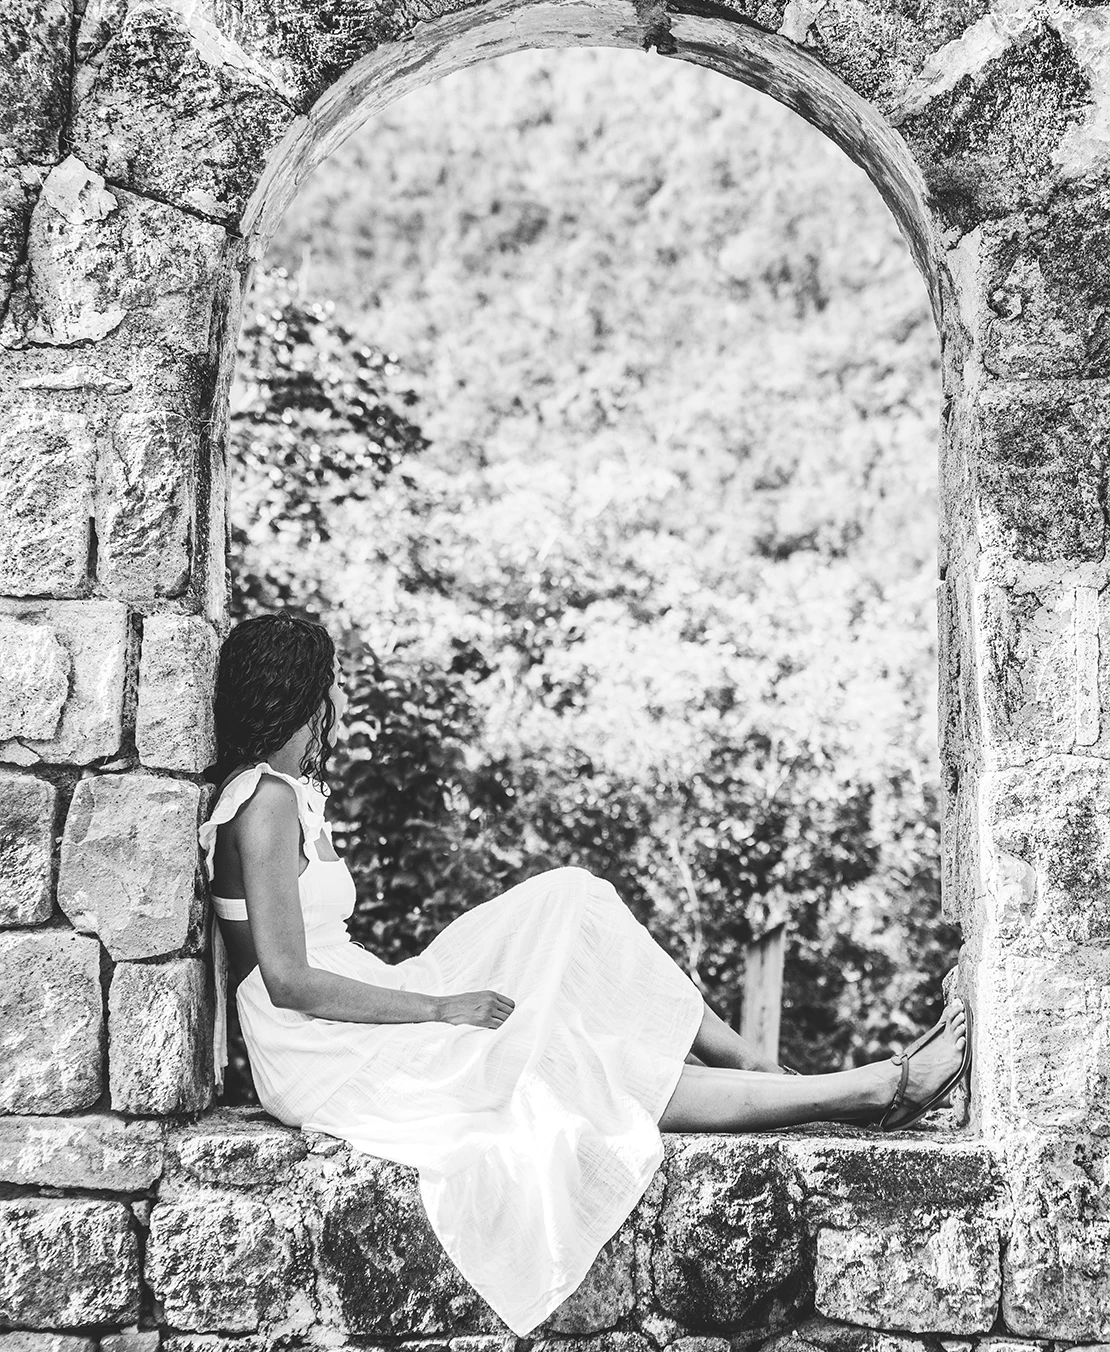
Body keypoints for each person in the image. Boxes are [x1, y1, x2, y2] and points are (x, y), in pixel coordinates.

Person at [200, 612, 972, 1336]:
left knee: (570, 904)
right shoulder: (262, 802)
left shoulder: (285, 791)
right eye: (326, 692)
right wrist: (440, 1007)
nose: (333, 708)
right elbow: (290, 979)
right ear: (299, 696)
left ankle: (785, 1070)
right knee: (567, 1063)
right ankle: (869, 1087)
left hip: (357, 999)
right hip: (318, 1044)